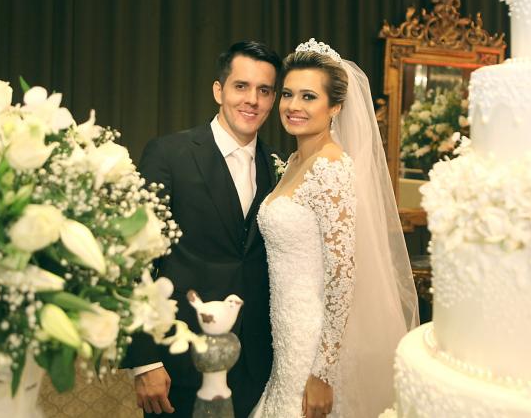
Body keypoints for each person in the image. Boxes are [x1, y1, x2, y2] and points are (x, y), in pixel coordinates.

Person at [251, 39, 419, 418]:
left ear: (335, 107)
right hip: (287, 333)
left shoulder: (331, 168)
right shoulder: (296, 161)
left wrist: (322, 373)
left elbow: (343, 276)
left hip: (314, 343)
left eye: (309, 97)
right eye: (288, 94)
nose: (293, 106)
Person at [123, 40, 282, 418]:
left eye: (264, 90)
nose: (253, 100)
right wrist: (144, 360)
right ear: (218, 90)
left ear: (273, 99)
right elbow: (132, 261)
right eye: (241, 86)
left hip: (256, 366)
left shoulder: (277, 167)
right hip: (179, 362)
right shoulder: (168, 154)